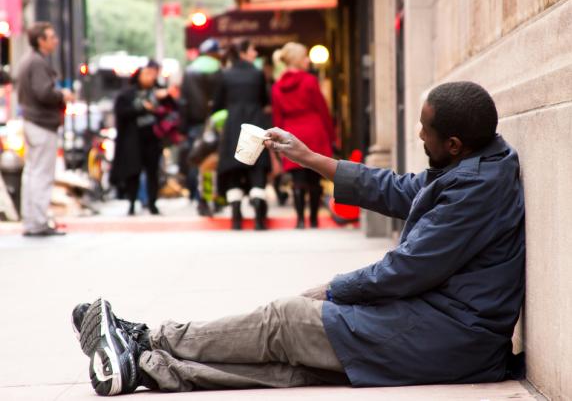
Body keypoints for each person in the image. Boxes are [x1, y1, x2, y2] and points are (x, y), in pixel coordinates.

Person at [72, 82, 525, 395]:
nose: (419, 133)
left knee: (286, 320)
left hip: (451, 336)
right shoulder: (474, 163)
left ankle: (149, 339)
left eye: (426, 129)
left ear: (454, 144)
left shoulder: (476, 187)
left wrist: (335, 288)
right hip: (447, 329)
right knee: (295, 367)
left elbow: (410, 268)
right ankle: (143, 369)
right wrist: (310, 158)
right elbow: (400, 190)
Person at [17, 22, 74, 237]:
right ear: (41, 40)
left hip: (34, 121)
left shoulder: (29, 61)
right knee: (41, 173)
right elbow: (43, 93)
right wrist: (62, 95)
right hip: (41, 122)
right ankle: (37, 221)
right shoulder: (37, 63)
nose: (55, 41)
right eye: (51, 37)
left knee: (33, 172)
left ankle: (32, 219)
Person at [272, 42, 335, 228]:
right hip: (314, 130)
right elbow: (322, 109)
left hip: (291, 131)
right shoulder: (309, 81)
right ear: (297, 59)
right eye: (305, 56)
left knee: (297, 179)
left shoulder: (277, 87)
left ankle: (300, 220)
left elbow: (277, 116)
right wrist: (332, 136)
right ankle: (314, 219)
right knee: (315, 176)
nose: (308, 60)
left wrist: (278, 141)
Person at [213, 39, 270, 230]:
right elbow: (264, 100)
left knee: (233, 169)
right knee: (257, 167)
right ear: (244, 53)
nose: (255, 53)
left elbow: (217, 103)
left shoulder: (225, 75)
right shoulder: (257, 74)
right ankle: (258, 214)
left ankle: (236, 217)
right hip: (255, 123)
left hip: (233, 126)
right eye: (253, 49)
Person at [110, 60, 167, 216]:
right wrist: (142, 108)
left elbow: (170, 111)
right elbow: (122, 112)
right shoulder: (127, 94)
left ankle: (152, 203)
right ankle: (132, 202)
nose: (149, 77)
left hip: (153, 138)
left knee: (153, 172)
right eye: (146, 74)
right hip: (133, 139)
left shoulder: (159, 92)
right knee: (133, 172)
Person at [179, 38, 223, 216]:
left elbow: (183, 102)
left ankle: (199, 198)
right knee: (215, 162)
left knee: (198, 161)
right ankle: (216, 198)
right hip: (218, 123)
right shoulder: (220, 70)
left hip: (195, 125)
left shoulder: (189, 71)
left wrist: (182, 127)